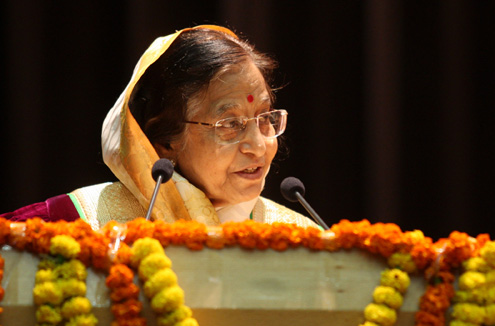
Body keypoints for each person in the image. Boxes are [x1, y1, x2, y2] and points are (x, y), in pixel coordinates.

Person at [2, 25, 317, 230]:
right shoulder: (69, 226)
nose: (259, 146)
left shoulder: (306, 242)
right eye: (230, 124)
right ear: (166, 141)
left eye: (264, 117)